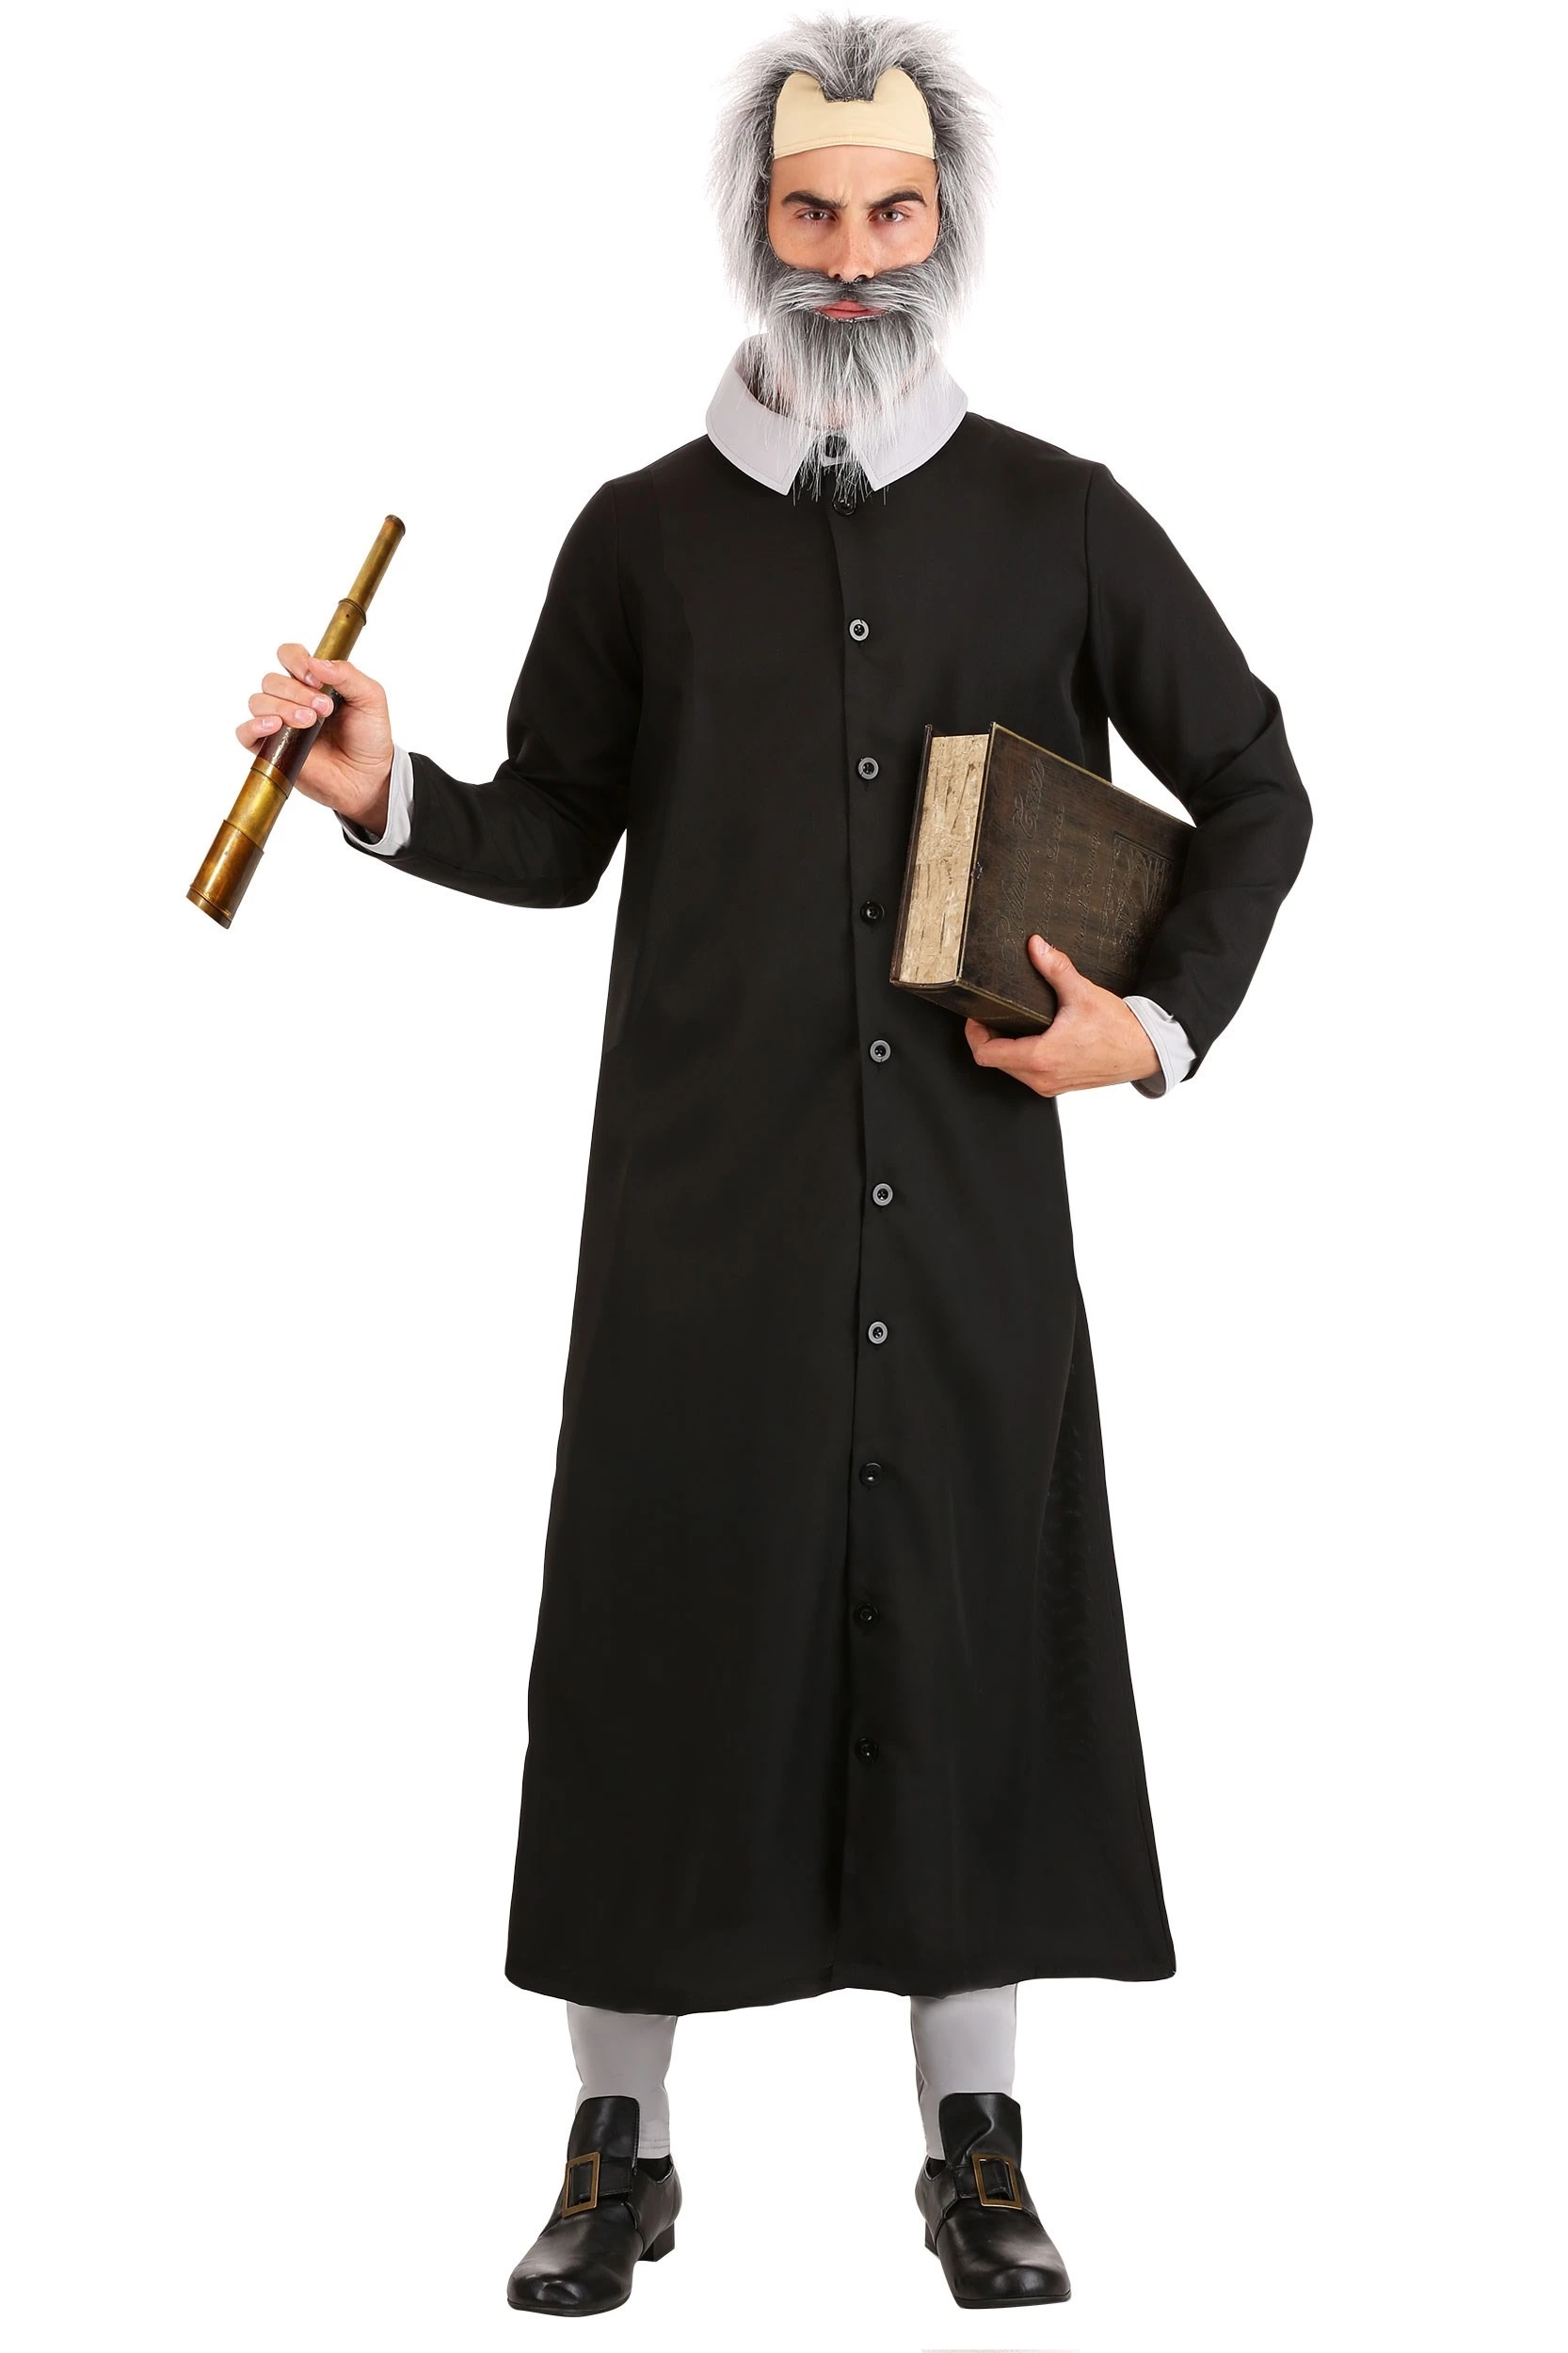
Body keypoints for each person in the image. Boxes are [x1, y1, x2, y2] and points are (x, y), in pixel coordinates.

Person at [232, 13, 1311, 2319]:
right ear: (754, 224)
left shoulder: (1060, 516)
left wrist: (1151, 1028)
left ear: (946, 226)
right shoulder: (638, 533)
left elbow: (1253, 783)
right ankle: (614, 2140)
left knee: (971, 1625)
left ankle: (974, 2137)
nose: (848, 257)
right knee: (659, 1636)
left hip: (973, 1213)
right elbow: (553, 830)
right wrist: (387, 793)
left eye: (889, 211)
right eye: (809, 213)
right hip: (698, 1225)